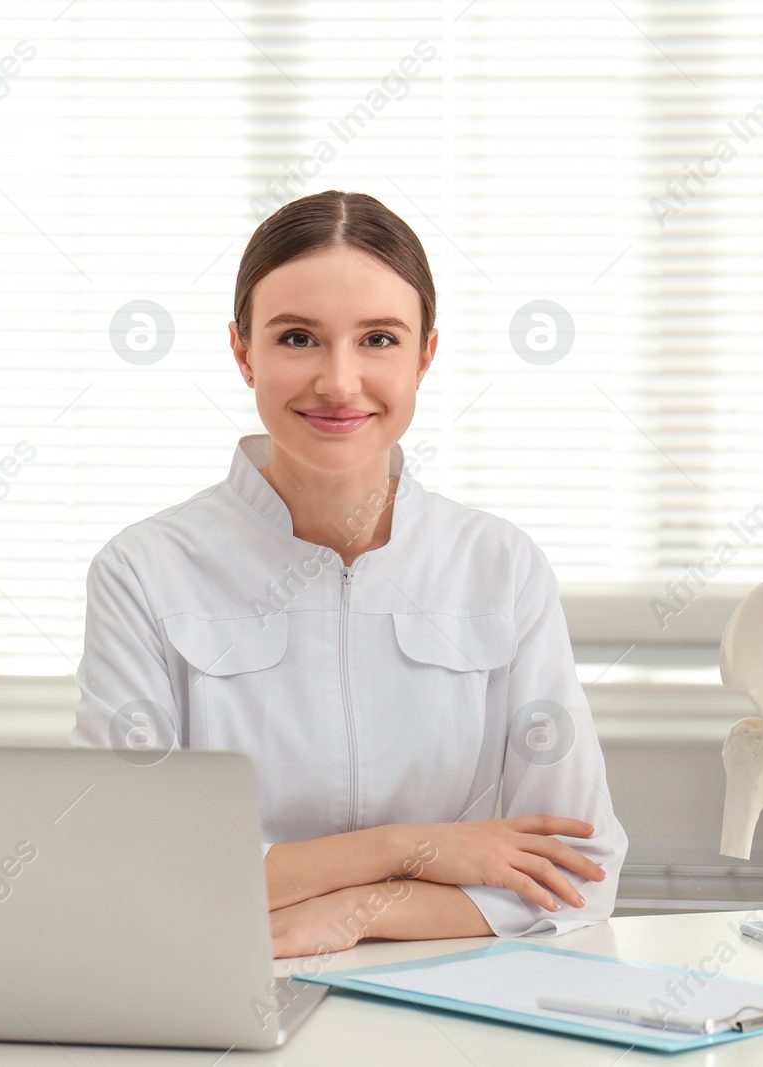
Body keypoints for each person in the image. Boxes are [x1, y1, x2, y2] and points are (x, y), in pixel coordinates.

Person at [72, 189, 629, 958]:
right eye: (298, 337)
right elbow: (128, 866)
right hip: (226, 985)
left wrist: (363, 909)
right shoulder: (144, 571)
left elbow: (580, 873)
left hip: (443, 1002)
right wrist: (409, 847)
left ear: (426, 354)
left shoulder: (500, 567)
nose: (338, 381)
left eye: (378, 339)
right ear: (242, 351)